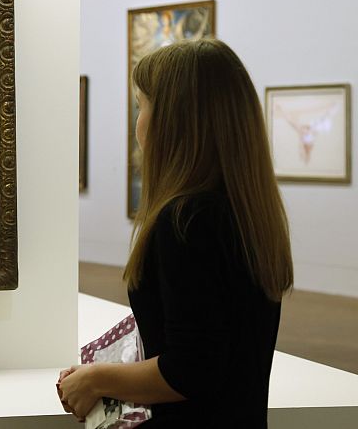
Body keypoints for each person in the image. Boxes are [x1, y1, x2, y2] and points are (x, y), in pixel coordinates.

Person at [57, 39, 294, 428]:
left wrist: (97, 378)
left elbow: (192, 367)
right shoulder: (245, 211)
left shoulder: (185, 221)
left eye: (141, 105)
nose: (137, 122)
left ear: (173, 119)